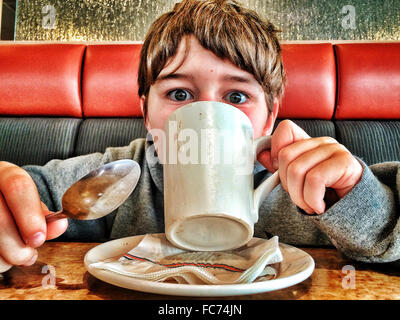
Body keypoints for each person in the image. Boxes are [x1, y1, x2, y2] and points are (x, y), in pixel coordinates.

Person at [0, 0, 399, 272]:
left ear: (269, 116)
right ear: (146, 112)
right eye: (179, 94)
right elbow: (33, 197)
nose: (209, 117)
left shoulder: (314, 187)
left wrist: (354, 196)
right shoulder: (117, 175)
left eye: (237, 96)